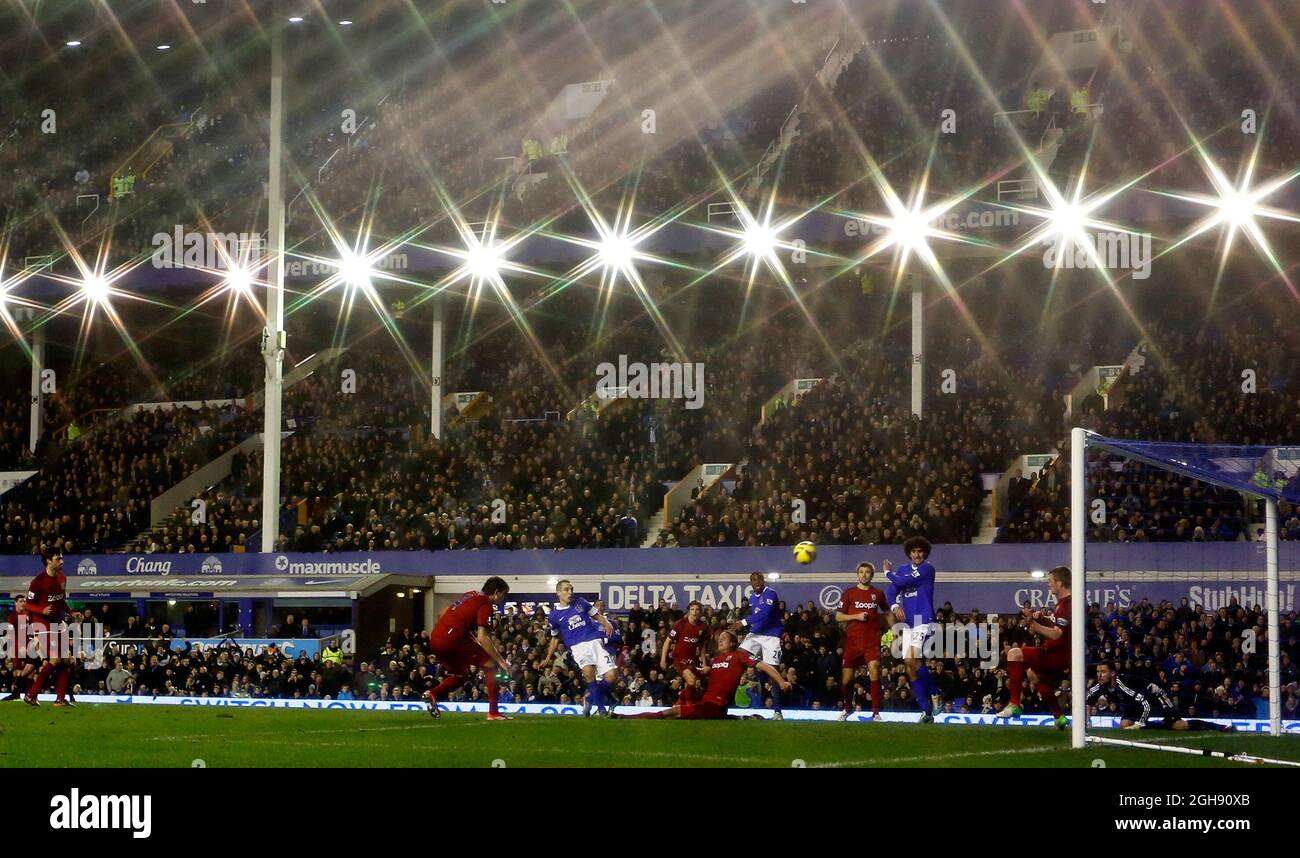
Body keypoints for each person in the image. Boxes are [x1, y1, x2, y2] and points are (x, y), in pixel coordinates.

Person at [620, 630, 790, 720]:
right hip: (706, 702)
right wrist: (693, 670)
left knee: (671, 714)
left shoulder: (740, 655)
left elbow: (764, 666)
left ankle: (625, 717)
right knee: (680, 707)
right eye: (719, 638)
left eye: (724, 638)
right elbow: (704, 676)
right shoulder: (715, 659)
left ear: (732, 642)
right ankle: (738, 718)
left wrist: (781, 681)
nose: (720, 640)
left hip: (716, 704)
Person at [425, 576, 513, 720]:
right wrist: (501, 661)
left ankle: (432, 694)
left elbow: (442, 613)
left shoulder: (470, 594)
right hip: (452, 640)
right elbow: (482, 637)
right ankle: (493, 712)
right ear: (497, 592)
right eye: (504, 595)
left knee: (461, 674)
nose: (504, 598)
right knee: (491, 665)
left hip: (435, 638)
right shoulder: (486, 604)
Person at [996, 565, 1072, 728]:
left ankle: (1014, 704)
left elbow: (1058, 634)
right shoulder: (1064, 604)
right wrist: (1041, 618)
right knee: (1032, 675)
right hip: (1059, 653)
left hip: (1055, 654)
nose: (1048, 584)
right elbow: (1060, 626)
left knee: (1014, 654)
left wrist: (1034, 624)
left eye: (1050, 581)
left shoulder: (1065, 605)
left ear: (1059, 583)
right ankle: (1059, 718)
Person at [884, 536, 941, 721]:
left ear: (925, 553)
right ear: (909, 553)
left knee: (911, 658)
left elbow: (901, 582)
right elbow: (892, 591)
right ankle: (926, 711)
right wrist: (895, 607)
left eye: (920, 551)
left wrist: (887, 573)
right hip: (908, 622)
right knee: (910, 667)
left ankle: (935, 693)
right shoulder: (902, 570)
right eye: (914, 551)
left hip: (923, 619)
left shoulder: (927, 569)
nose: (917, 554)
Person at [543, 580, 618, 717]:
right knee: (589, 673)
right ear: (558, 593)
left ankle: (589, 699)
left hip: (595, 642)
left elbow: (597, 615)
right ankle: (602, 711)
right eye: (566, 590)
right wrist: (548, 657)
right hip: (577, 647)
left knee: (612, 676)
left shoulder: (581, 602)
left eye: (571, 589)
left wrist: (607, 624)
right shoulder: (554, 616)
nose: (570, 592)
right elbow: (555, 638)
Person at [1088, 661, 1232, 732]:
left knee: (1179, 726)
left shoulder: (1124, 686)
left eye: (1103, 671)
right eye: (1097, 671)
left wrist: (1140, 724)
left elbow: (1146, 704)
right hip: (1136, 705)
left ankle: (1219, 727)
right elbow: (1087, 701)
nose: (1099, 674)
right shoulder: (1100, 686)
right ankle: (1160, 725)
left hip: (1155, 697)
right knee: (1125, 725)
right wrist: (1086, 724)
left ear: (1113, 673)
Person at [835, 562, 890, 720]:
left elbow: (887, 611)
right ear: (857, 574)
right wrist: (856, 616)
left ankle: (876, 713)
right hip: (853, 642)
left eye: (867, 572)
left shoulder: (878, 594)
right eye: (861, 572)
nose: (864, 575)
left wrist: (894, 628)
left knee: (874, 669)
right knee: (846, 681)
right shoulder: (849, 593)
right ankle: (847, 707)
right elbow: (838, 616)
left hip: (871, 641)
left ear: (872, 575)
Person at [729, 572, 784, 719]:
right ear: (751, 583)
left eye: (759, 579)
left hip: (771, 636)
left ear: (763, 581)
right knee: (737, 657)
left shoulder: (771, 594)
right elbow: (756, 617)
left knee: (774, 673)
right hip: (755, 634)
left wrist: (743, 622)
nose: (757, 582)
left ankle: (777, 711)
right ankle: (727, 701)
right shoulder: (752, 598)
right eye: (753, 580)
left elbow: (765, 614)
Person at [24, 548, 75, 707]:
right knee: (55, 659)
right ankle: (31, 695)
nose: (62, 561)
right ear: (48, 561)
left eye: (62, 558)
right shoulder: (38, 581)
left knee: (66, 660)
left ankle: (60, 700)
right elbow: (28, 605)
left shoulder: (62, 578)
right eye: (58, 559)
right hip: (42, 622)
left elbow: (60, 601)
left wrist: (71, 612)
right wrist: (42, 610)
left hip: (56, 621)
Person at [660, 600, 708, 705]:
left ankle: (678, 704)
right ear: (689, 612)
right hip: (679, 658)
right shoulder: (680, 624)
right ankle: (689, 707)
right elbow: (667, 642)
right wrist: (663, 660)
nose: (695, 612)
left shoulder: (703, 626)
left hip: (692, 659)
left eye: (697, 610)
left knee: (701, 680)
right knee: (691, 680)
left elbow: (702, 647)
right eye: (692, 609)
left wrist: (704, 663)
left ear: (700, 612)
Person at [2, 596, 38, 702]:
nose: (23, 603)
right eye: (21, 601)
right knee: (18, 671)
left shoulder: (27, 614)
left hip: (29, 646)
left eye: (24, 601)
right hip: (18, 647)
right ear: (15, 603)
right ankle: (16, 694)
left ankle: (28, 695)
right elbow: (10, 634)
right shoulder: (12, 617)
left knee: (31, 670)